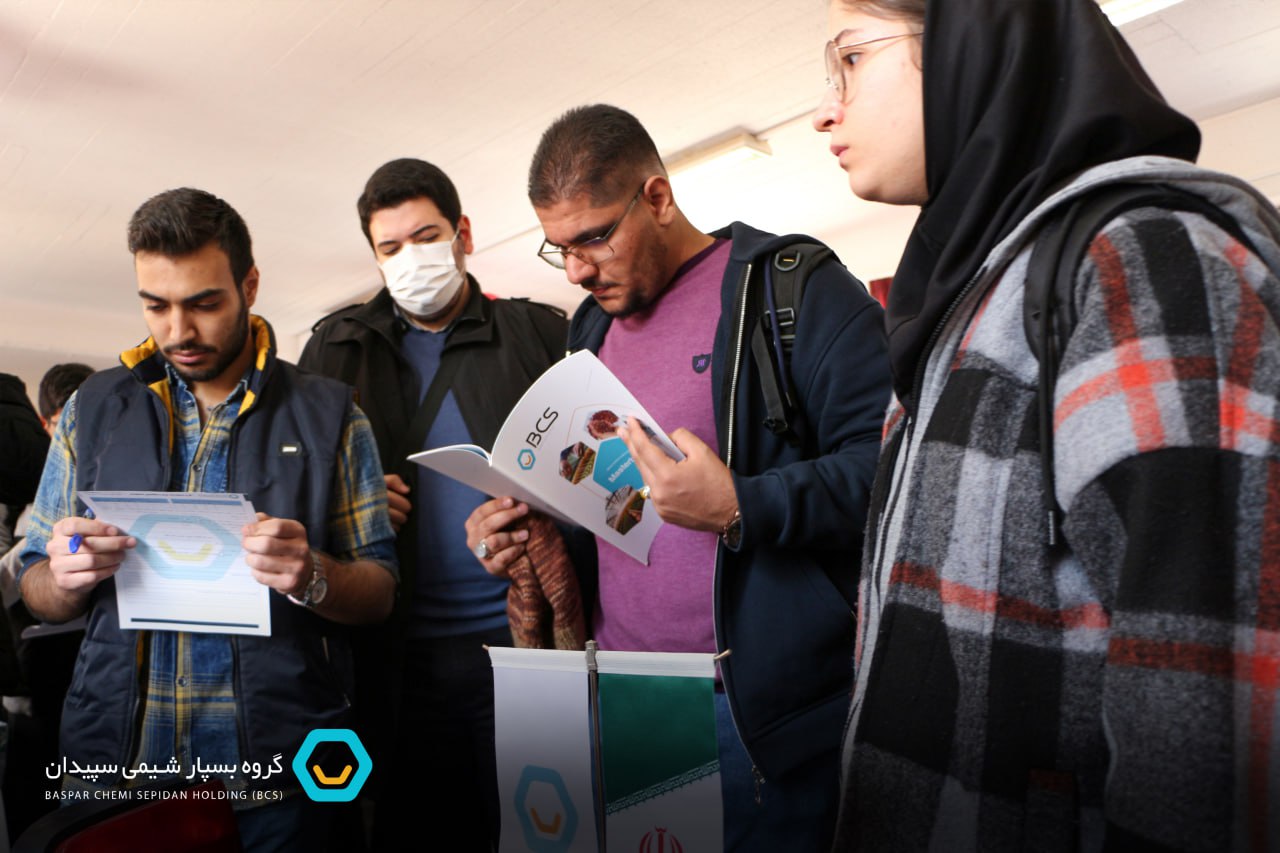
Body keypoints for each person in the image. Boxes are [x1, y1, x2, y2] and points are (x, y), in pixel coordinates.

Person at [812, 0, 1280, 848]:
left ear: (970, 44)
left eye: (851, 59)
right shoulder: (973, 298)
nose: (824, 109)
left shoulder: (1144, 262)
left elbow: (1212, 723)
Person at [466, 104, 891, 851]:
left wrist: (740, 506)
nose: (577, 270)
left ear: (657, 198)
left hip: (762, 707)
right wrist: (528, 530)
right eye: (558, 249)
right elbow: (610, 507)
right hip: (633, 696)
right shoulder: (589, 329)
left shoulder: (792, 288)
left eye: (593, 237)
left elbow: (890, 474)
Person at [18, 188, 398, 851]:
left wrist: (313, 575)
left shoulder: (331, 415)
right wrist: (64, 577)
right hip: (117, 775)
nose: (178, 332)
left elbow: (381, 590)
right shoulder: (90, 408)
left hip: (279, 782)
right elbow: (35, 586)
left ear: (249, 285)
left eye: (203, 304)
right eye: (155, 305)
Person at [299, 158, 569, 851]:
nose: (410, 259)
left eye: (425, 237)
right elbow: (298, 485)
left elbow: (595, 473)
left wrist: (540, 511)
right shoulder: (338, 347)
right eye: (390, 247)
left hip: (521, 643)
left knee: (542, 828)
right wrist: (351, 504)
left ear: (463, 234)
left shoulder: (536, 334)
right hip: (395, 655)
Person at [1, 363, 93, 839]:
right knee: (39, 780)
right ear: (46, 423)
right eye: (64, 423)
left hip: (89, 650)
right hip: (34, 653)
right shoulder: (23, 487)